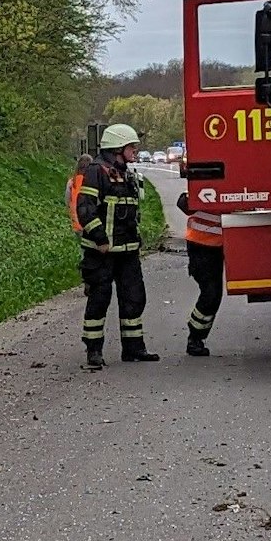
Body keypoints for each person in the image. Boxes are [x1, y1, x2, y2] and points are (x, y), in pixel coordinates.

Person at [76, 124, 158, 370]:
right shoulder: (95, 172)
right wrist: (100, 239)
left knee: (134, 298)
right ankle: (94, 351)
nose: (135, 151)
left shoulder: (127, 174)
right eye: (132, 147)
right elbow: (85, 209)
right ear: (118, 148)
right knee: (99, 300)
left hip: (128, 252)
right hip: (101, 252)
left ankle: (134, 349)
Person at [173, 187, 223, 356]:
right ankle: (195, 337)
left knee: (213, 295)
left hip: (219, 244)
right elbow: (184, 202)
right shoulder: (209, 178)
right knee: (211, 294)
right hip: (201, 243)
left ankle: (196, 337)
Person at [66, 153, 94, 234]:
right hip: (90, 225)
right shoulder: (93, 182)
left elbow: (67, 201)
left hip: (75, 225)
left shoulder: (71, 182)